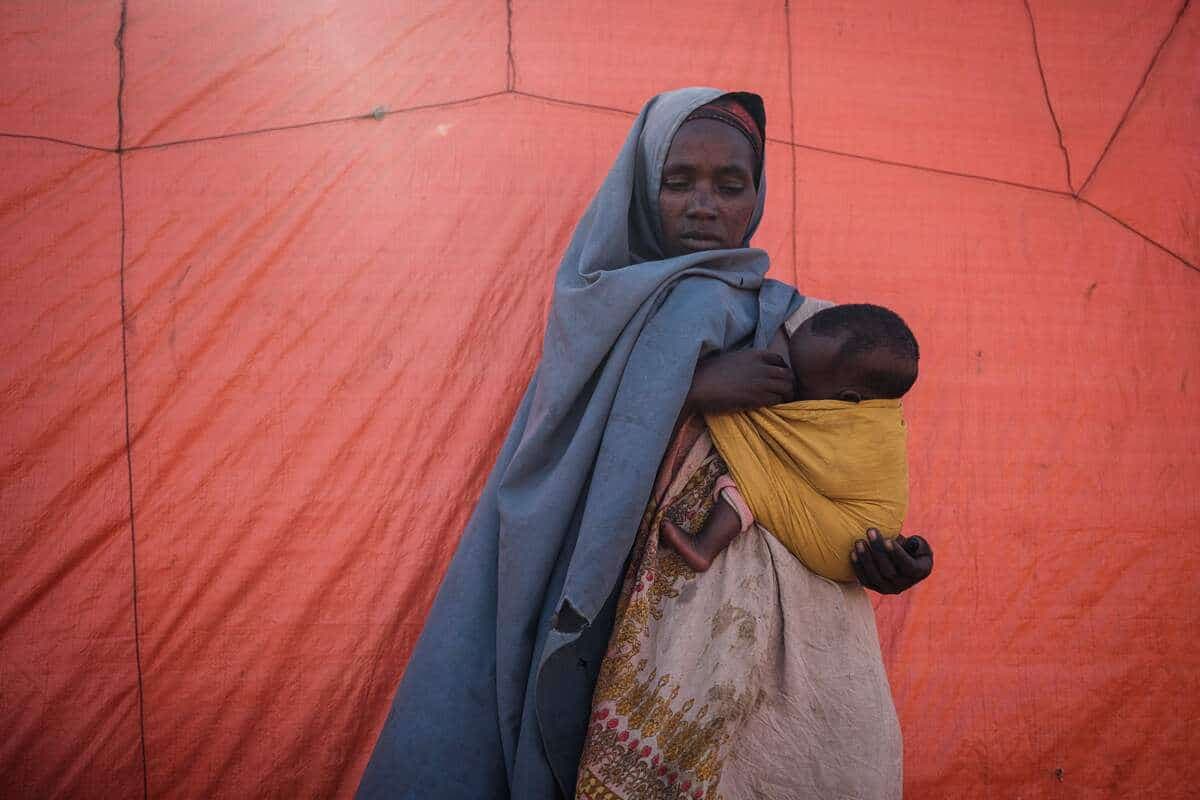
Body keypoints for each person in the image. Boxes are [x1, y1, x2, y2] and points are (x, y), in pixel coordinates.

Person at [357, 88, 932, 800]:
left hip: (787, 663)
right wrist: (687, 387)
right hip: (633, 634)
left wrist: (880, 554)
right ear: (640, 189)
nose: (703, 204)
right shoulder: (596, 318)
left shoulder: (806, 325)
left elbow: (854, 460)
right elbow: (553, 470)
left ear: (756, 196)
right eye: (678, 180)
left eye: (730, 184)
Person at [660, 302, 921, 577]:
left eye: (799, 381)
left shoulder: (805, 317)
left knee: (755, 479)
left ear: (847, 399)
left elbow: (822, 464)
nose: (785, 378)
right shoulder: (825, 331)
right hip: (845, 532)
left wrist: (704, 394)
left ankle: (703, 547)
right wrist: (693, 389)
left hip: (848, 545)